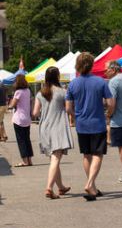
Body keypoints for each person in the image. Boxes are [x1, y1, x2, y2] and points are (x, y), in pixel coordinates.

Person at [65, 52, 115, 201]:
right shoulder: (100, 82)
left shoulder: (73, 83)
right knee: (97, 154)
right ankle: (90, 183)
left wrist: (75, 116)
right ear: (92, 64)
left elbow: (68, 108)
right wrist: (108, 114)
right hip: (97, 123)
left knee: (86, 155)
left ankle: (92, 186)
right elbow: (111, 103)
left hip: (82, 125)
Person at [33, 67, 73, 199]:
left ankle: (61, 187)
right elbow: (68, 109)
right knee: (56, 158)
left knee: (53, 159)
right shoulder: (63, 92)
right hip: (58, 127)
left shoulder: (40, 93)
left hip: (44, 127)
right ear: (57, 76)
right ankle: (49, 188)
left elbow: (35, 113)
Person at [9, 74, 33, 166]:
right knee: (27, 139)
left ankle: (24, 161)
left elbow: (12, 105)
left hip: (19, 119)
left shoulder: (18, 92)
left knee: (21, 140)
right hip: (27, 118)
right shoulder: (28, 91)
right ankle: (30, 160)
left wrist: (10, 104)